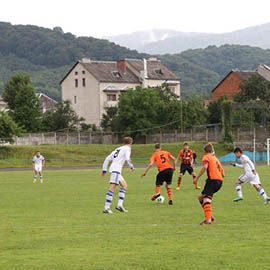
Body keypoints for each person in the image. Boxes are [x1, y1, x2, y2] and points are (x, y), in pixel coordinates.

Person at [102, 137, 134, 214]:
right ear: (130, 143)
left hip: (115, 170)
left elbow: (107, 159)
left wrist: (104, 170)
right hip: (116, 170)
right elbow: (127, 158)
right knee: (112, 187)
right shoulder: (127, 148)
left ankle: (119, 205)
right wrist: (131, 166)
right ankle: (106, 207)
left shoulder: (118, 149)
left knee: (124, 185)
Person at [194, 143, 224, 225]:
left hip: (212, 180)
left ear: (205, 151)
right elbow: (223, 172)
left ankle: (208, 220)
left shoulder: (206, 157)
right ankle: (209, 216)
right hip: (219, 181)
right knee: (200, 197)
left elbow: (205, 167)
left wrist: (197, 178)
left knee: (206, 199)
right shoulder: (215, 158)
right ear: (212, 150)